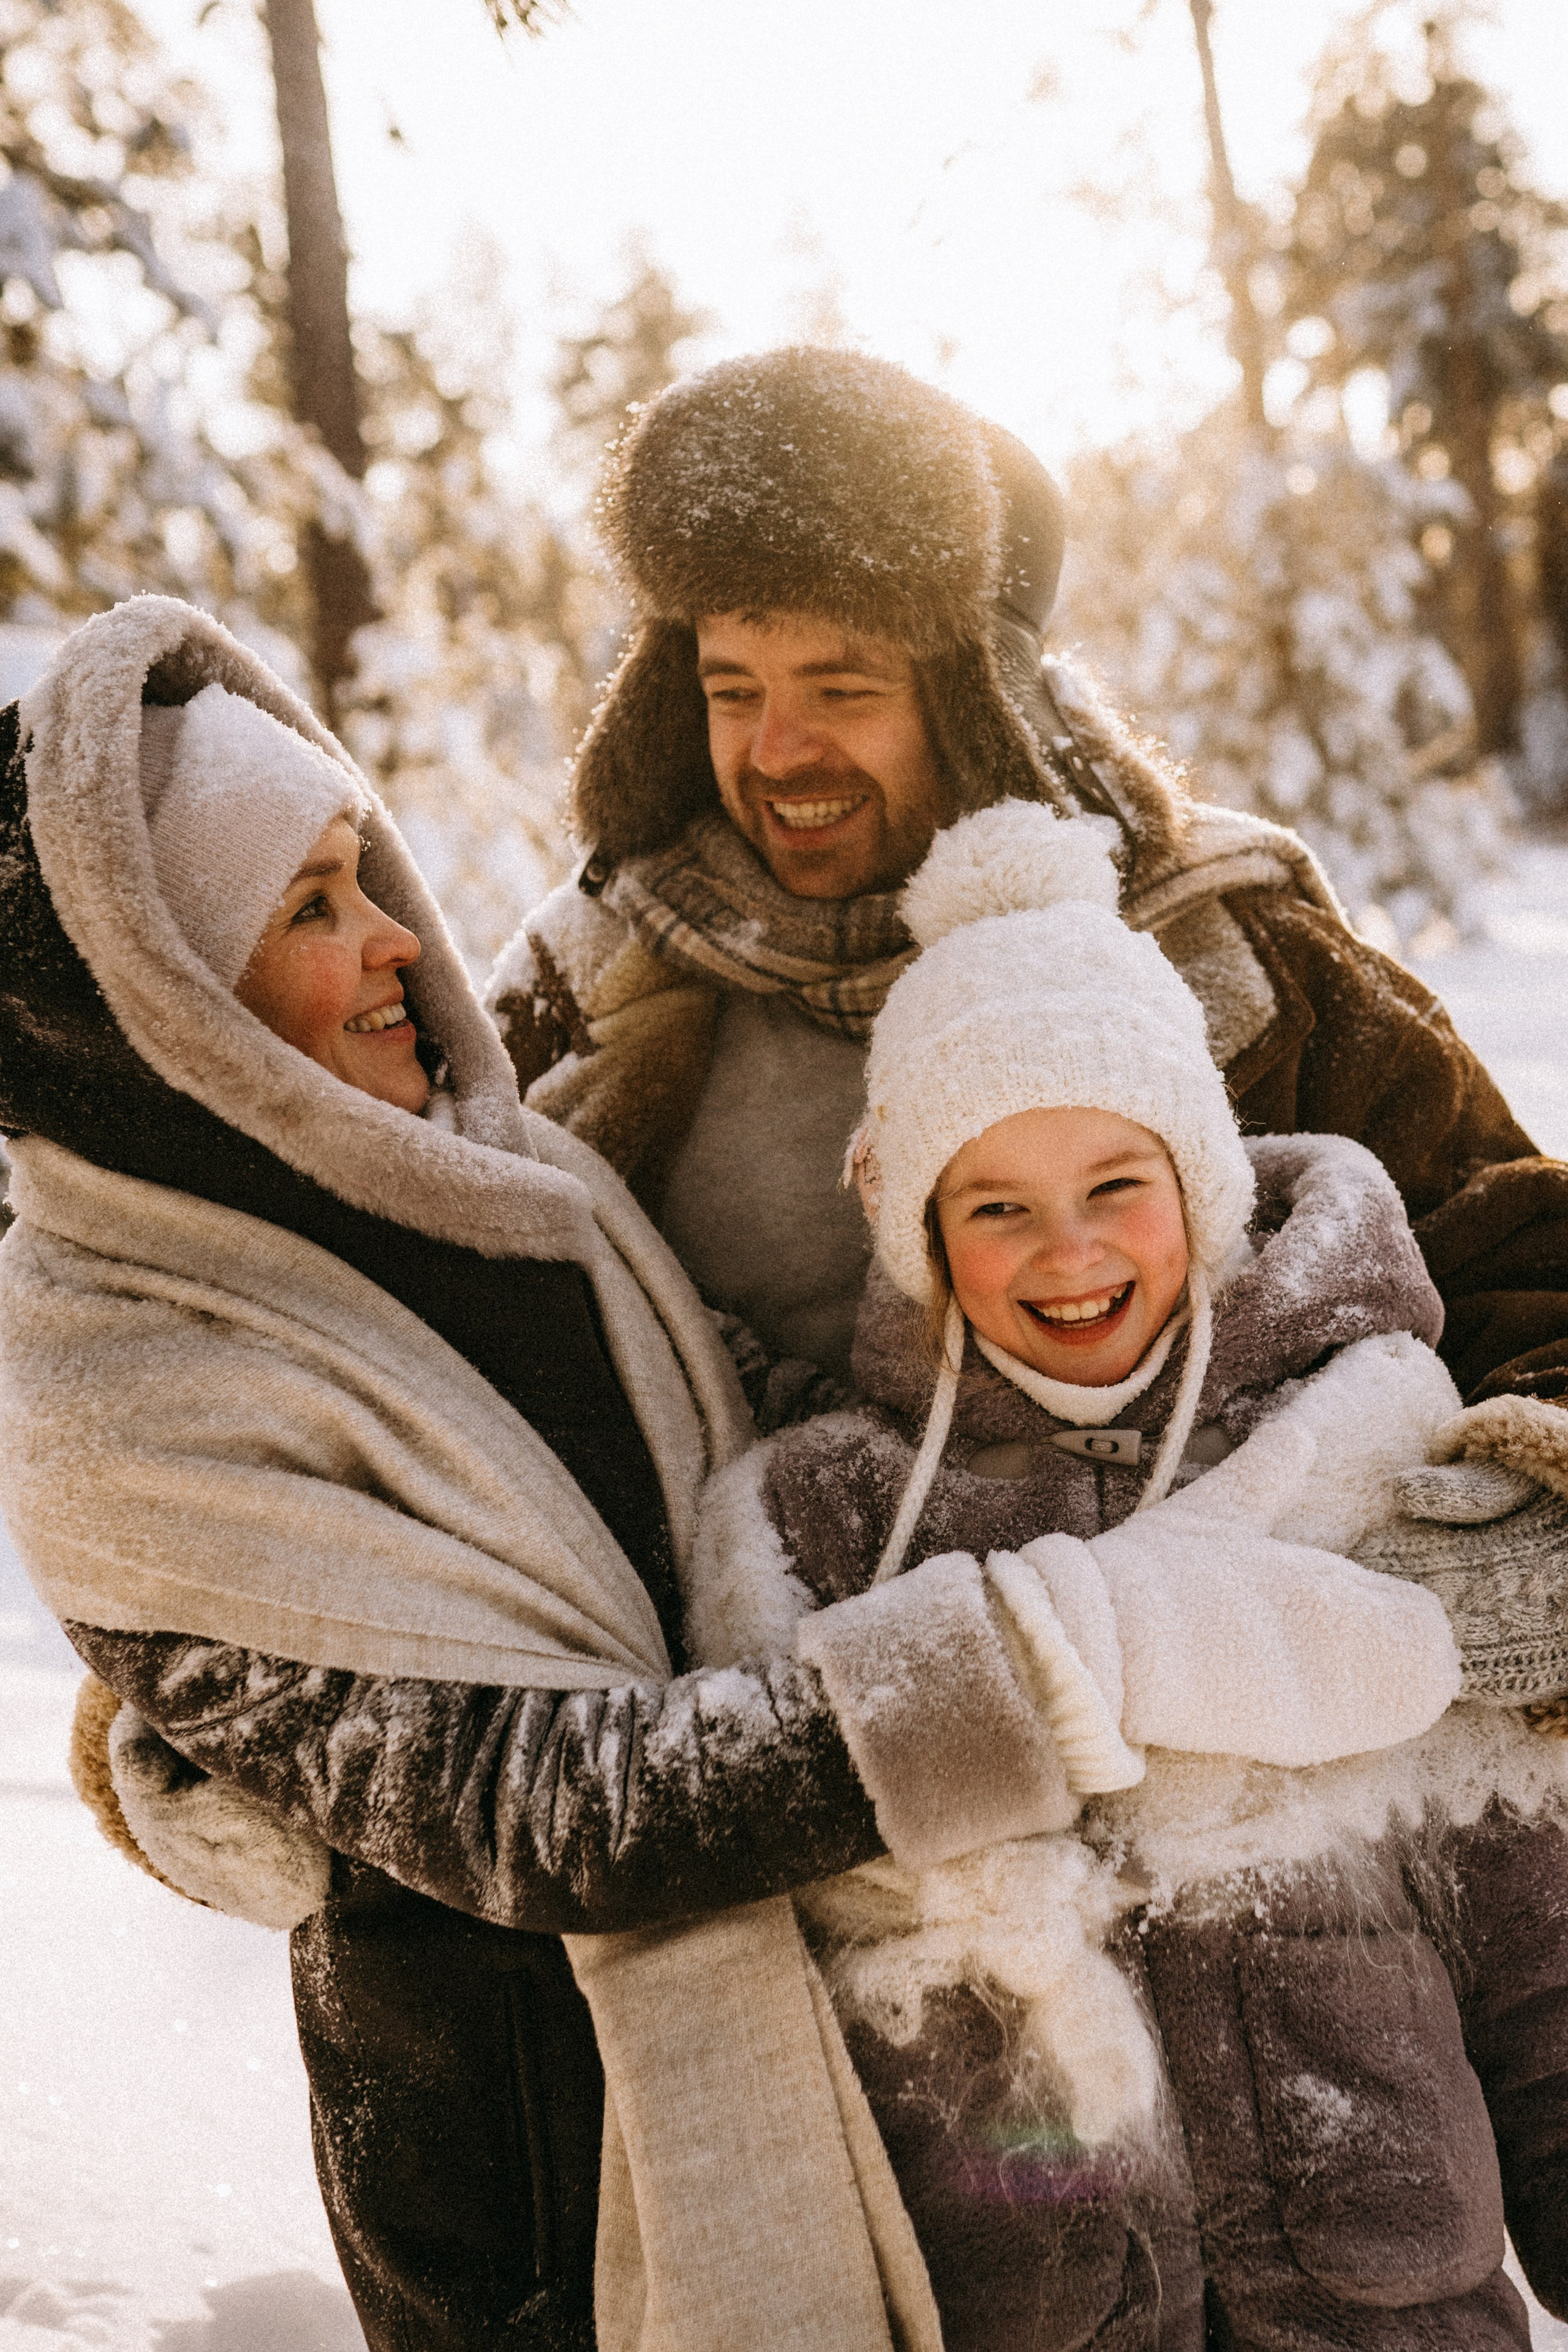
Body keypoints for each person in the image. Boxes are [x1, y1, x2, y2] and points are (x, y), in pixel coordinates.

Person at [0, 595, 1091, 2352]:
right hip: (526, 2201)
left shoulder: (507, 1188)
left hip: (827, 2051)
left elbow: (749, 1434)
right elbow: (552, 1810)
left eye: (365, 874)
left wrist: (1098, 1466)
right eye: (309, 911)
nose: (395, 948)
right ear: (170, 1005)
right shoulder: (123, 1393)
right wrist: (1045, 1662)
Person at [694, 799, 1568, 2349]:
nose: (1068, 1252)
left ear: (1202, 1184)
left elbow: (1539, 1971)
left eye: (1116, 1184)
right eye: (995, 1207)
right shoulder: (818, 1530)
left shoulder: (1366, 1456)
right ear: (914, 1229)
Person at [488, 344, 1568, 1447]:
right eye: (733, 690)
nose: (776, 751)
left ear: (974, 705)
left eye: (842, 688)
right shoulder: (588, 987)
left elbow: (1526, 1270)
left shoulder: (1231, 952)